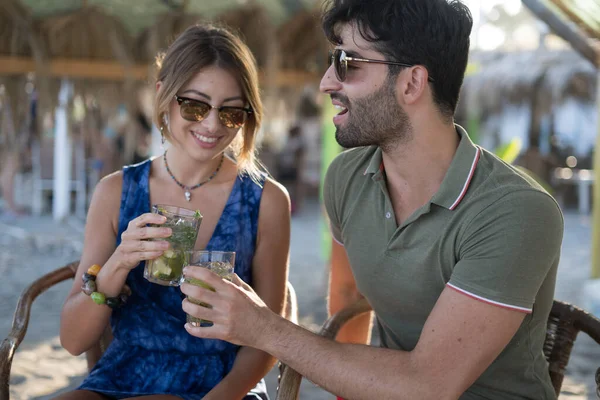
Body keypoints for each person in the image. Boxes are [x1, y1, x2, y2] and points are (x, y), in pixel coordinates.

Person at [179, 1, 564, 399]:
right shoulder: (347, 178)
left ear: (412, 83)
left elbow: (428, 387)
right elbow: (349, 300)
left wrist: (262, 327)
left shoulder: (515, 211)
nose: (327, 82)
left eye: (347, 63)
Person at [57, 23, 290, 400]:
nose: (211, 124)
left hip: (224, 382)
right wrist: (118, 262)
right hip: (123, 376)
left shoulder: (265, 200)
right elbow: (72, 339)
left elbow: (270, 337)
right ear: (164, 95)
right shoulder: (116, 192)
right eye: (195, 105)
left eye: (231, 113)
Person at [276, 125, 305, 214]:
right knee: (295, 188)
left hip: (286, 167)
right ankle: (295, 206)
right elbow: (299, 157)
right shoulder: (296, 142)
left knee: (289, 187)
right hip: (292, 168)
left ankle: (292, 206)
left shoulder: (288, 142)